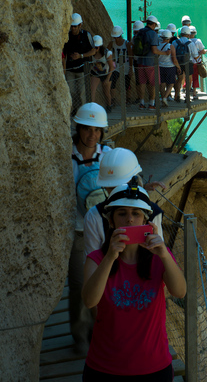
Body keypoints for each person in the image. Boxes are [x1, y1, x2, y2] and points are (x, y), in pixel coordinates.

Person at [82, 183, 186, 381]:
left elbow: (180, 291)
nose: (130, 218)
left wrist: (164, 254)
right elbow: (89, 301)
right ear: (111, 221)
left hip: (154, 367)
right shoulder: (96, 259)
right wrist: (111, 256)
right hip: (105, 368)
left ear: (146, 221)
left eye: (136, 213)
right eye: (122, 213)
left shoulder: (160, 257)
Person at [70, 102, 111, 355]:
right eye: (87, 129)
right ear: (79, 128)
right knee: (77, 285)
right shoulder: (66, 154)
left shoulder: (106, 155)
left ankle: (101, 331)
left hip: (100, 229)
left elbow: (122, 182)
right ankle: (80, 335)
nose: (92, 135)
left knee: (102, 281)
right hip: (75, 230)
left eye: (97, 130)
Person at [83, 147, 167, 257]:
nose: (115, 192)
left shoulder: (153, 212)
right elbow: (91, 263)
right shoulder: (94, 217)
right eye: (110, 188)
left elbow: (158, 258)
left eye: (119, 186)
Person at [63, 13, 96, 111]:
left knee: (82, 93)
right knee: (71, 92)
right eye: (72, 26)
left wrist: (81, 56)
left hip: (82, 70)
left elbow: (93, 50)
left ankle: (83, 111)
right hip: (70, 69)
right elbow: (63, 55)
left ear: (80, 25)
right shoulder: (67, 36)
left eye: (75, 26)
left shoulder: (86, 35)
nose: (73, 28)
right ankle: (74, 110)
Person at [133, 16, 165, 110]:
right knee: (153, 83)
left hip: (140, 62)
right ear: (154, 24)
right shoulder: (153, 34)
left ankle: (141, 103)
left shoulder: (140, 32)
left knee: (142, 82)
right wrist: (165, 53)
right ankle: (152, 103)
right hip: (150, 63)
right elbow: (154, 50)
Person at [108, 26, 132, 107]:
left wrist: (131, 68)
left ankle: (128, 100)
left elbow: (130, 55)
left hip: (126, 66)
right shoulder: (112, 43)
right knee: (113, 82)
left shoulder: (126, 43)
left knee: (127, 84)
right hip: (117, 67)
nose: (116, 39)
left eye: (117, 37)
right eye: (115, 37)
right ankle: (113, 100)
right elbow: (106, 51)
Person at [157, 29, 181, 108]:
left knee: (162, 84)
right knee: (171, 83)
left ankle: (163, 98)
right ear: (169, 38)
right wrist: (178, 67)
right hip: (170, 67)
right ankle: (164, 98)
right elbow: (174, 59)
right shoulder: (171, 46)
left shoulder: (157, 45)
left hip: (160, 67)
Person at [90, 35, 114, 112]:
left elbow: (111, 67)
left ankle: (109, 105)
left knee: (106, 92)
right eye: (94, 47)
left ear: (100, 47)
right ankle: (92, 108)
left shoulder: (107, 53)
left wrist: (107, 79)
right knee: (92, 90)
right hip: (95, 73)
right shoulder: (90, 52)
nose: (95, 49)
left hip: (106, 74)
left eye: (96, 47)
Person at [172, 27, 197, 102]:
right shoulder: (190, 43)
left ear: (181, 33)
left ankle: (177, 96)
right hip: (188, 63)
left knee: (179, 79)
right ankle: (187, 97)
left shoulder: (175, 42)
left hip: (178, 63)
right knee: (189, 79)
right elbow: (195, 55)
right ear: (188, 34)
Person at [189, 26, 207, 94]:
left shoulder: (187, 41)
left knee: (187, 76)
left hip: (188, 62)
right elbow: (203, 51)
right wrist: (204, 51)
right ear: (195, 33)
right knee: (195, 77)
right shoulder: (198, 41)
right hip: (196, 62)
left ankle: (186, 91)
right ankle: (194, 93)